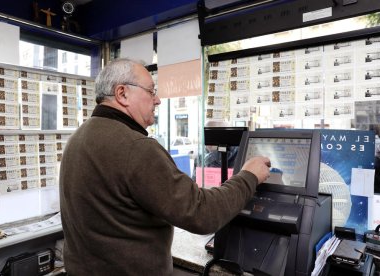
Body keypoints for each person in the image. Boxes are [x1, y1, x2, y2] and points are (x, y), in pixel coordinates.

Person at [59, 58, 271, 276]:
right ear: (122, 94)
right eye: (151, 91)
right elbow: (202, 213)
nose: (158, 100)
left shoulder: (78, 138)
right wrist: (249, 176)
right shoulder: (136, 148)